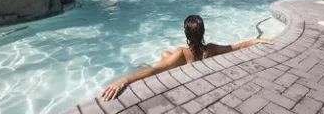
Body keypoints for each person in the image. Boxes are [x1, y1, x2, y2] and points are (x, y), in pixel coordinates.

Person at [101, 15, 273, 101]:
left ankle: (163, 54)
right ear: (203, 32)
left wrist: (124, 80)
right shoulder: (211, 49)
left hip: (174, 61)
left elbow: (154, 70)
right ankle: (164, 55)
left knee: (164, 58)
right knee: (166, 56)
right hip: (178, 59)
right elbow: (234, 47)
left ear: (186, 33)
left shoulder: (182, 53)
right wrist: (255, 40)